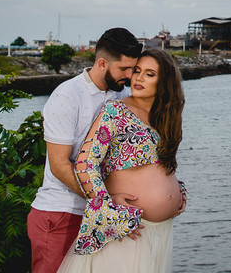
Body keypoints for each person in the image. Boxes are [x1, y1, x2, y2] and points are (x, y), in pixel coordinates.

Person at [57, 48, 187, 272]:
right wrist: (108, 210)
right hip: (126, 225)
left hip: (160, 229)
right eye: (137, 71)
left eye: (149, 74)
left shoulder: (165, 117)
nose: (138, 77)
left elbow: (161, 164)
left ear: (164, 82)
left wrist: (178, 190)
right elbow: (86, 163)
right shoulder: (116, 110)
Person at [28, 28, 144, 273]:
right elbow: (60, 166)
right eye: (124, 69)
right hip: (62, 213)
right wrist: (107, 202)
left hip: (103, 218)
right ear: (102, 63)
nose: (130, 75)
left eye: (133, 68)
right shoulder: (67, 96)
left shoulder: (123, 95)